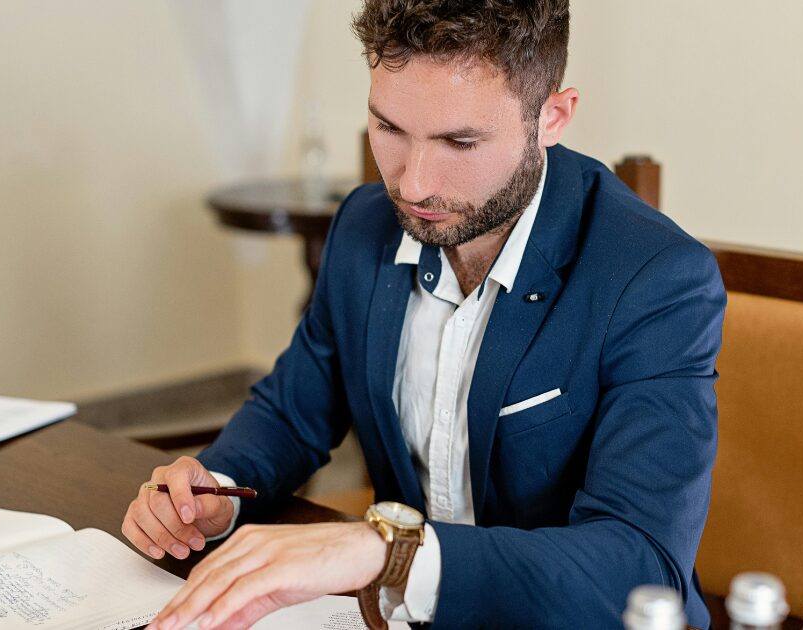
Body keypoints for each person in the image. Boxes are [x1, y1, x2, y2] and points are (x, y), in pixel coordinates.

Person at [125, 1, 725, 628]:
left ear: (552, 116)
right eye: (389, 130)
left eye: (460, 142)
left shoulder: (658, 279)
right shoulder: (362, 225)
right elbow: (293, 410)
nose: (411, 186)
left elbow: (640, 564)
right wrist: (216, 488)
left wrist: (390, 553)